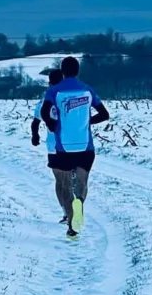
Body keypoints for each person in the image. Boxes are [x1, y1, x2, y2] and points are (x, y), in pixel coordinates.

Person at [41, 56, 110, 238]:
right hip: (86, 147)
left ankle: (72, 223)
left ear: (62, 71)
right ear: (78, 71)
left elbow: (44, 111)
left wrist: (51, 124)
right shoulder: (87, 90)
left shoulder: (55, 91)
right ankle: (79, 201)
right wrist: (88, 122)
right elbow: (104, 114)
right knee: (82, 182)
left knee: (64, 186)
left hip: (63, 147)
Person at [31, 69, 68, 224]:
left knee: (60, 181)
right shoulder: (71, 98)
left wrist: (35, 136)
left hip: (54, 147)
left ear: (49, 83)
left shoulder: (44, 101)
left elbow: (36, 122)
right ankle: (77, 205)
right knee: (74, 180)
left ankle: (67, 213)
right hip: (73, 145)